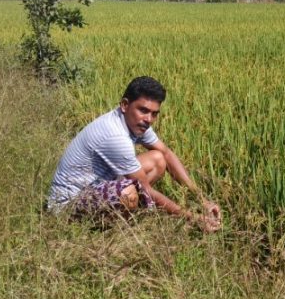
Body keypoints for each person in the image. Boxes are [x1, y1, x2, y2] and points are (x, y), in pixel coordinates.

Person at [48, 76, 221, 232]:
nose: (148, 119)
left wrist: (201, 199)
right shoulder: (114, 135)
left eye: (154, 114)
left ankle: (122, 215)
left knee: (158, 159)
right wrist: (192, 218)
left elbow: (166, 153)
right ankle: (107, 228)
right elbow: (144, 188)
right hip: (67, 207)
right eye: (143, 110)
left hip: (96, 186)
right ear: (124, 105)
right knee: (129, 192)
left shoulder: (136, 123)